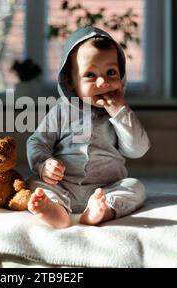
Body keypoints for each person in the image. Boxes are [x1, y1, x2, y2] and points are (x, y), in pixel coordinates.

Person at [26, 26, 150, 228]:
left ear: (122, 76)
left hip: (106, 188)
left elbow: (137, 149)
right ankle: (56, 209)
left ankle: (100, 211)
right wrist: (44, 165)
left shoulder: (120, 114)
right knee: (32, 183)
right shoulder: (61, 111)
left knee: (136, 187)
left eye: (111, 72)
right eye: (90, 75)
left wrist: (120, 112)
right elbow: (37, 142)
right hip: (62, 185)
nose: (102, 82)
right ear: (70, 82)